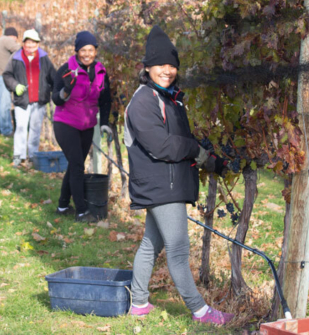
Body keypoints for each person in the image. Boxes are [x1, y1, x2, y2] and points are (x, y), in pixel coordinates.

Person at [124, 25, 232, 324]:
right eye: (161, 65)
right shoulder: (144, 100)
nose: (167, 70)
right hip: (161, 185)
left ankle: (139, 303)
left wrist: (211, 159)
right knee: (179, 249)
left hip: (165, 183)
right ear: (147, 67)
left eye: (172, 65)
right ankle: (200, 311)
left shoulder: (171, 99)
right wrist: (197, 151)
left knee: (151, 243)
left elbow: (182, 141)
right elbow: (162, 146)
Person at [52, 31, 112, 223]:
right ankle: (81, 211)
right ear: (77, 51)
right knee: (77, 165)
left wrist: (104, 124)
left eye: (91, 50)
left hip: (87, 126)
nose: (87, 54)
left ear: (95, 51)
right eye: (83, 50)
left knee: (75, 164)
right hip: (65, 123)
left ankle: (62, 205)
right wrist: (65, 90)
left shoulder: (101, 72)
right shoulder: (66, 70)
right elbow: (55, 98)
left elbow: (106, 100)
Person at [3, 29, 56, 167]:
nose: (30, 47)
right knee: (20, 127)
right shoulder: (16, 57)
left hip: (39, 100)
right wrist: (15, 86)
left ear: (38, 44)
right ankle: (19, 156)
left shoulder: (44, 58)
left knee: (35, 129)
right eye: (28, 44)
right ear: (23, 43)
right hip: (22, 100)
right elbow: (7, 75)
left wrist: (59, 92)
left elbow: (53, 76)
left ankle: (33, 156)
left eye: (33, 44)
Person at [0, 27, 21, 136]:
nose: (15, 41)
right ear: (14, 36)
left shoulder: (0, 41)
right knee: (4, 103)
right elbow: (21, 50)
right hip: (0, 76)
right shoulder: (7, 40)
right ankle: (6, 130)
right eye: (16, 39)